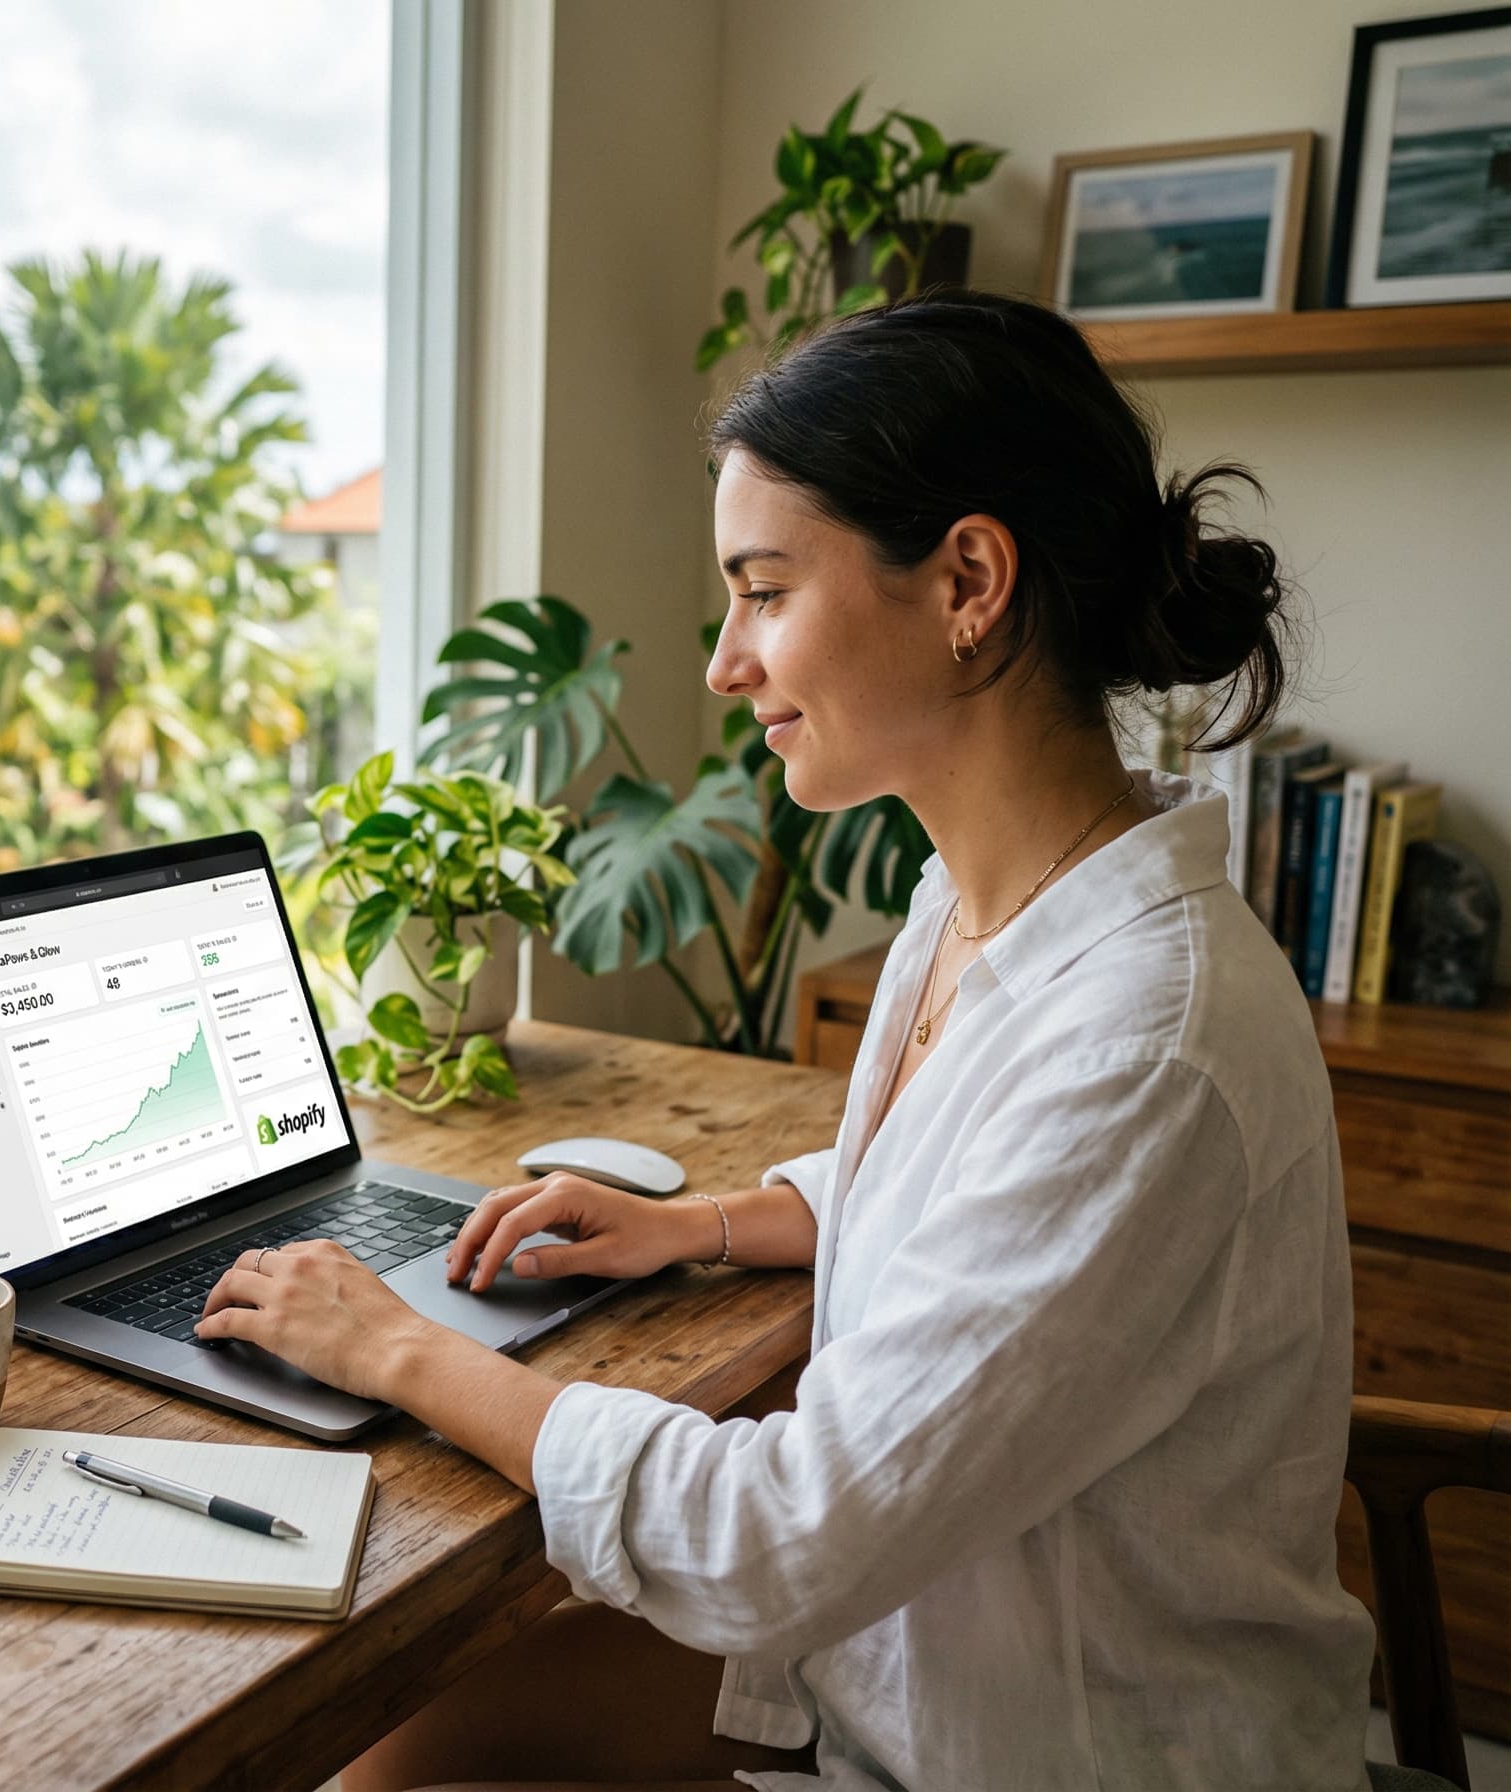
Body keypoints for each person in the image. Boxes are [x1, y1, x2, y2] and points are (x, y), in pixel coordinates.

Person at [196, 289, 1377, 1791]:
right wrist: (703, 1221)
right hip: (914, 1663)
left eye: (764, 590)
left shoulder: (1147, 1042)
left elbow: (777, 1542)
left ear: (968, 581)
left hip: (1058, 1745)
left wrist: (399, 1348)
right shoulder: (983, 896)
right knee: (391, 1745)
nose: (725, 664)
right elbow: (975, 1180)